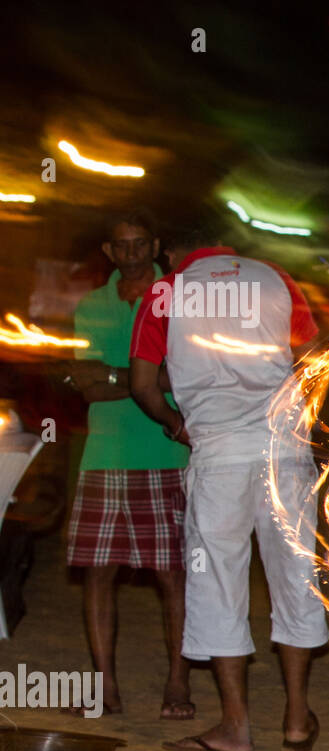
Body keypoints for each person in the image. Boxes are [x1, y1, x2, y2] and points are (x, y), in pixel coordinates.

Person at [128, 222, 328, 751]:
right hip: (284, 451)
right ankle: (294, 715)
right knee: (295, 577)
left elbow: (142, 384)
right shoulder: (276, 278)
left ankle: (236, 727)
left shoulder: (166, 290)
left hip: (218, 455)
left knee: (217, 582)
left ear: (171, 250)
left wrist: (177, 424)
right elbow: (315, 358)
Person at [61, 208, 192, 718]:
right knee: (97, 572)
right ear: (109, 253)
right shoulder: (92, 304)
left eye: (141, 243)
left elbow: (182, 379)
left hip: (166, 450)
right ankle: (104, 689)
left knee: (173, 576)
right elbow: (85, 386)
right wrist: (139, 379)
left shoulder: (180, 296)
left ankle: (178, 685)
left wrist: (117, 378)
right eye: (123, 245)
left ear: (156, 245)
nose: (133, 252)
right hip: (105, 453)